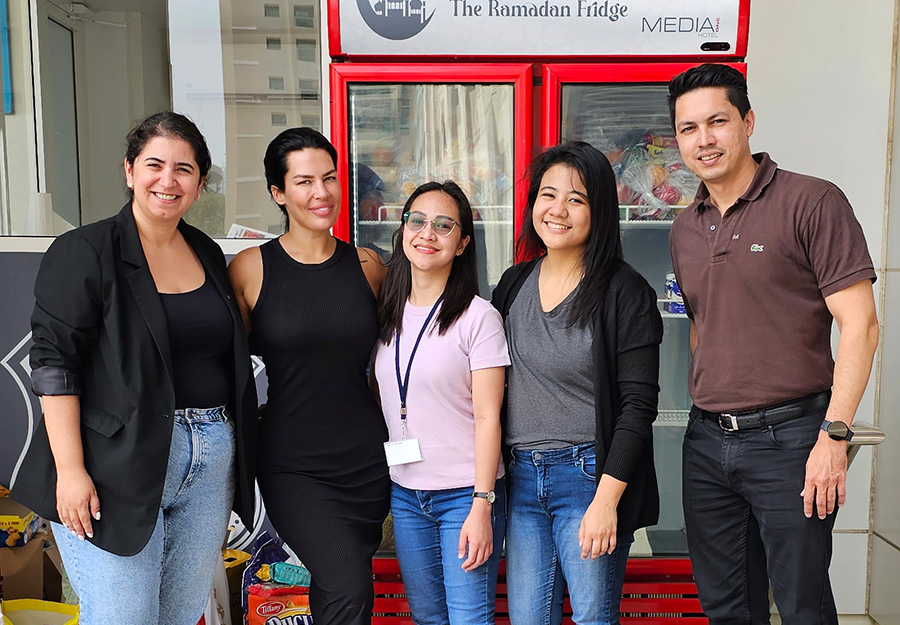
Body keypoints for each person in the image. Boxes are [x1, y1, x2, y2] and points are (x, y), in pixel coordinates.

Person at [11, 111, 258, 624]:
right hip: (110, 463)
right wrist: (72, 470)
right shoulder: (85, 251)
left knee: (180, 614)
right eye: (154, 165)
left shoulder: (208, 252)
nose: (168, 181)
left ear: (200, 184)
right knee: (123, 616)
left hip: (209, 456)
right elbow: (55, 364)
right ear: (129, 171)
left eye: (184, 169)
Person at [667, 64, 879, 624]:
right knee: (727, 608)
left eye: (717, 121)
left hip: (792, 443)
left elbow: (861, 324)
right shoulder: (685, 228)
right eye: (689, 129)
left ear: (748, 122)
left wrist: (834, 437)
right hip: (708, 443)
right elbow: (702, 325)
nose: (704, 139)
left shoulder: (812, 202)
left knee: (802, 605)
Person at [492, 142, 663, 625]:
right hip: (522, 478)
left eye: (577, 199)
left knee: (591, 617)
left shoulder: (624, 291)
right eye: (548, 195)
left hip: (588, 477)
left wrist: (606, 501)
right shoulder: (513, 283)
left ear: (600, 210)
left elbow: (637, 406)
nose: (558, 210)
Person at [228, 128, 390, 625]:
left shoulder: (368, 267)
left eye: (330, 178)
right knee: (348, 590)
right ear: (279, 193)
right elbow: (225, 368)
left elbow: (392, 367)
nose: (321, 193)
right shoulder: (251, 269)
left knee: (335, 591)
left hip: (366, 463)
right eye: (303, 182)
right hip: (293, 464)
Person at [374, 181, 509, 624]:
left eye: (444, 225)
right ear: (403, 230)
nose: (427, 233)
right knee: (428, 618)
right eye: (417, 220)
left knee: (468, 618)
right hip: (407, 494)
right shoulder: (386, 311)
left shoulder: (479, 318)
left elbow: (490, 418)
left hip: (463, 496)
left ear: (463, 242)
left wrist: (482, 503)